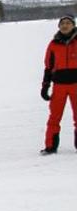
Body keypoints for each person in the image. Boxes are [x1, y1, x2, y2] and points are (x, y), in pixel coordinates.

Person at [39, 13, 77, 155]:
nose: (65, 26)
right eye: (62, 23)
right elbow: (48, 66)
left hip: (76, 85)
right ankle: (51, 146)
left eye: (68, 23)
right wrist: (45, 86)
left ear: (73, 25)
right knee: (54, 117)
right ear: (59, 26)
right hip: (59, 85)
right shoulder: (53, 44)